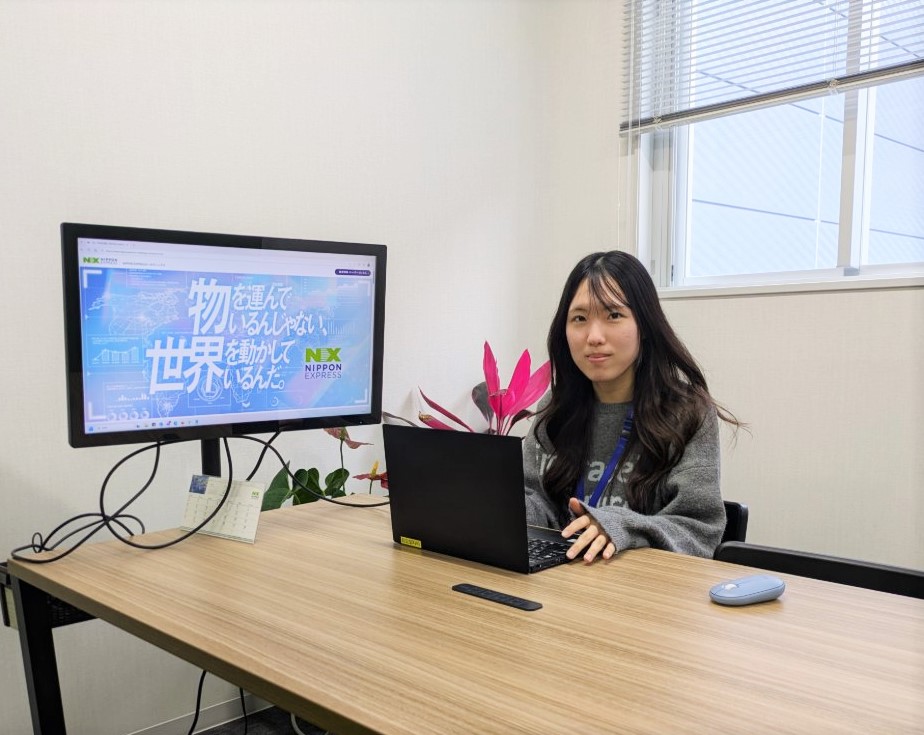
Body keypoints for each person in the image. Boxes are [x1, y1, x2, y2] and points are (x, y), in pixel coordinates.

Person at [523, 250, 741, 561]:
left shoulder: (687, 413)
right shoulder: (555, 408)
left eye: (613, 315)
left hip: (643, 585)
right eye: (579, 318)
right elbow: (536, 501)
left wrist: (620, 526)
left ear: (645, 325)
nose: (594, 336)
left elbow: (698, 531)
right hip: (560, 578)